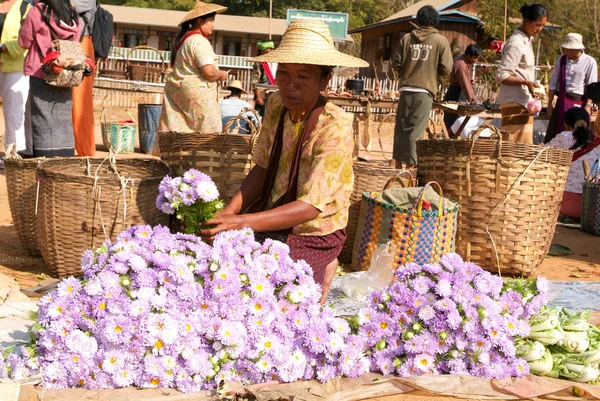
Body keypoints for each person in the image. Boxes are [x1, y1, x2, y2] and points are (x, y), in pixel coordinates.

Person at [199, 19, 368, 304]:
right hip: (273, 213)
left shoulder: (334, 127)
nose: (291, 85)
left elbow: (310, 207)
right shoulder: (276, 105)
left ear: (325, 79)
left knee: (280, 293)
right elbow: (263, 167)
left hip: (315, 229)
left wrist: (241, 223)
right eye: (285, 73)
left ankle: (327, 260)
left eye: (303, 76)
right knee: (229, 271)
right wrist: (227, 214)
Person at [19, 0, 89, 157]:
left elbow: (23, 42)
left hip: (41, 71)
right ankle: (63, 159)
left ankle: (44, 160)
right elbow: (75, 43)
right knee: (63, 119)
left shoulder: (38, 11)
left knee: (42, 119)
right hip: (65, 75)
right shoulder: (73, 15)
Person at [391, 5, 452, 168]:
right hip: (424, 91)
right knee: (416, 131)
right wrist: (433, 68)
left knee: (401, 129)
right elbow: (446, 69)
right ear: (435, 21)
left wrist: (407, 71)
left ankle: (396, 165)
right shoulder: (440, 41)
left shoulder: (407, 38)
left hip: (406, 89)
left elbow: (395, 63)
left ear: (419, 20)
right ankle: (410, 170)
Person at [159, 0, 228, 134]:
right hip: (197, 96)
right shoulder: (199, 41)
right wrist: (222, 75)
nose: (213, 25)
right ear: (200, 21)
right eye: (211, 20)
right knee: (205, 133)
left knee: (180, 130)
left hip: (180, 92)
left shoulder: (185, 39)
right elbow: (209, 72)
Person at [496, 4, 547, 144]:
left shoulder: (527, 40)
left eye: (542, 25)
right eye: (537, 25)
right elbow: (502, 75)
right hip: (514, 102)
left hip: (523, 102)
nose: (540, 29)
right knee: (514, 150)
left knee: (522, 148)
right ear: (526, 21)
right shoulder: (516, 43)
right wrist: (526, 83)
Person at [547, 107, 600, 220]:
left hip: (566, 204)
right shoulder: (597, 143)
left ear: (566, 124)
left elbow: (543, 153)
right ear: (589, 125)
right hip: (593, 207)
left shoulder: (564, 137)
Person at [544, 33, 597, 144]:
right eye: (566, 49)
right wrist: (550, 104)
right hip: (562, 99)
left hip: (580, 101)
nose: (567, 52)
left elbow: (591, 86)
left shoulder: (590, 62)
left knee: (579, 134)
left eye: (570, 49)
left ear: (578, 48)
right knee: (557, 131)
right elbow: (553, 82)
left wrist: (588, 106)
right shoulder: (561, 60)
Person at [0, 0, 32, 161]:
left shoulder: (25, 7)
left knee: (13, 113)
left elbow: (26, 39)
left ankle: (13, 156)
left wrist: (3, 48)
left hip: (16, 68)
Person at [71, 0, 97, 156]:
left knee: (81, 103)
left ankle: (85, 151)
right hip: (65, 42)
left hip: (82, 44)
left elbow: (64, 6)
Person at [443, 44, 483, 134]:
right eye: (475, 57)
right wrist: (474, 103)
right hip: (457, 96)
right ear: (468, 55)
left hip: (458, 93)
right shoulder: (461, 65)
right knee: (453, 126)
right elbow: (465, 86)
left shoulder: (463, 62)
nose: (476, 60)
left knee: (456, 126)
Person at [252, 39, 277, 118]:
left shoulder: (278, 62)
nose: (268, 54)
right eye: (266, 52)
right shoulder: (259, 63)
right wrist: (258, 97)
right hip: (263, 95)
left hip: (276, 93)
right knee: (260, 118)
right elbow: (255, 80)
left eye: (270, 52)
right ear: (262, 52)